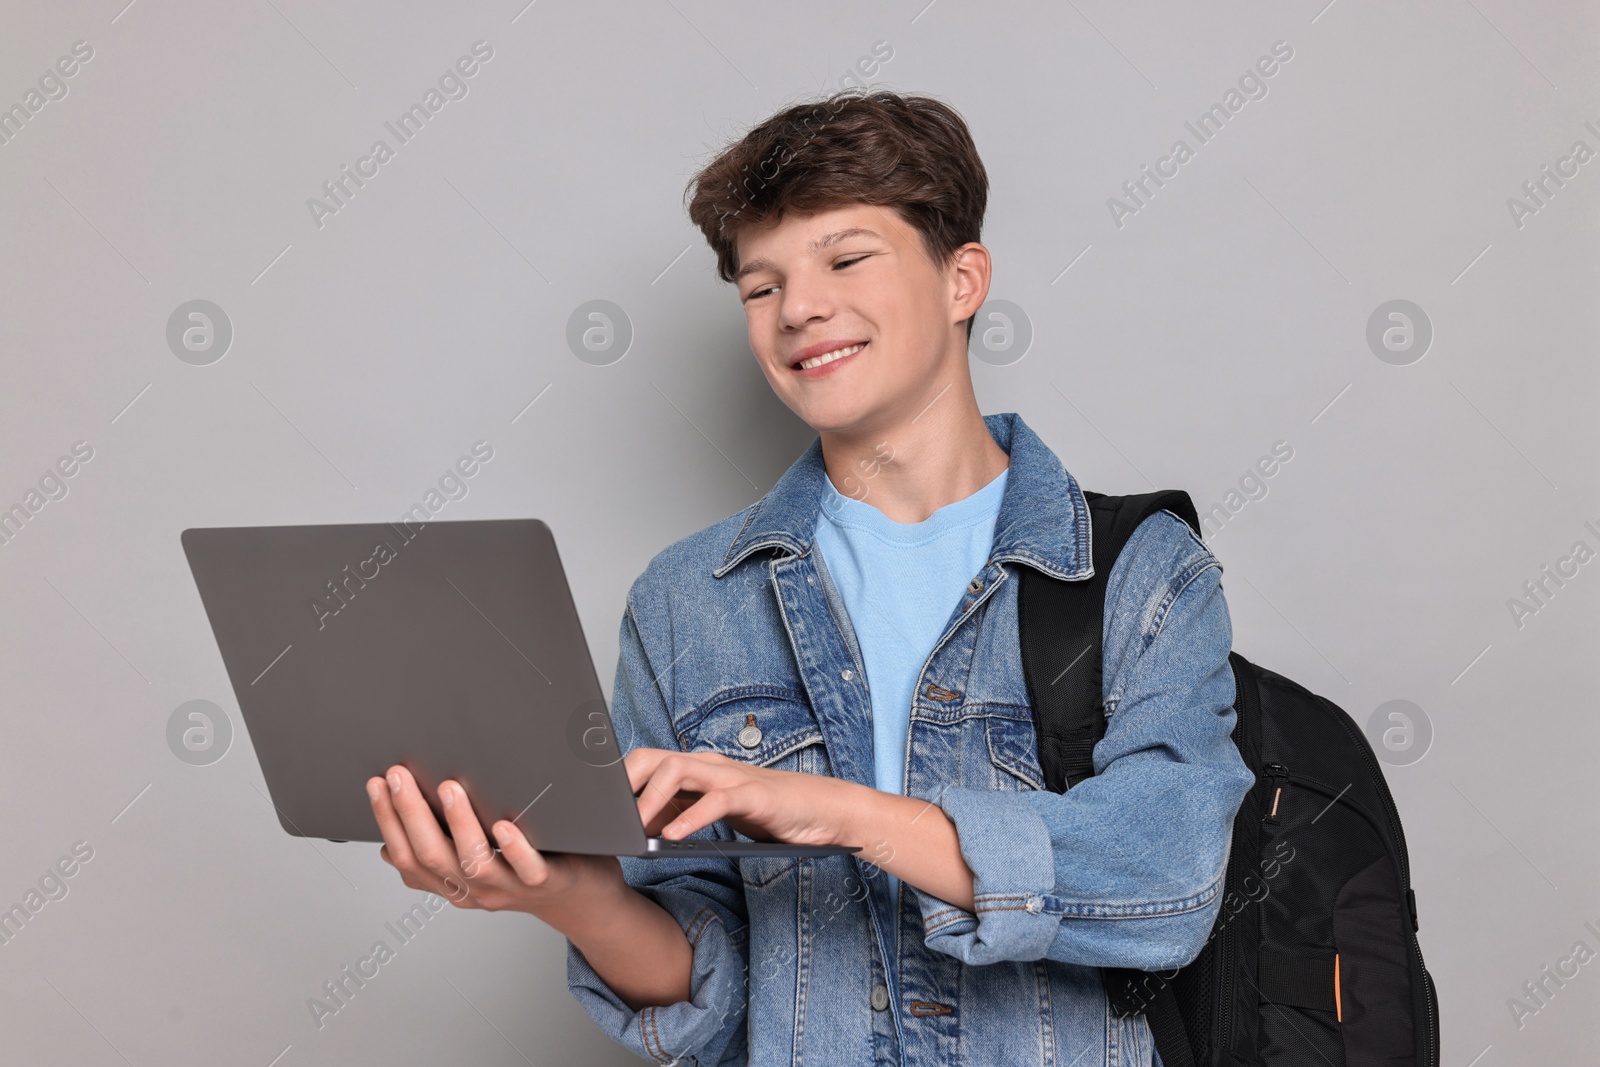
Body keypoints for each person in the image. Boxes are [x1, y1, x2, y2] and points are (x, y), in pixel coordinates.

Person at [367, 89, 1254, 1066]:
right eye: (760, 285)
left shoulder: (1136, 568)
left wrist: (839, 810)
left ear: (962, 280)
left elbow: (1168, 875)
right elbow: (706, 996)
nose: (799, 308)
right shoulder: (684, 601)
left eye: (845, 258)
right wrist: (562, 893)